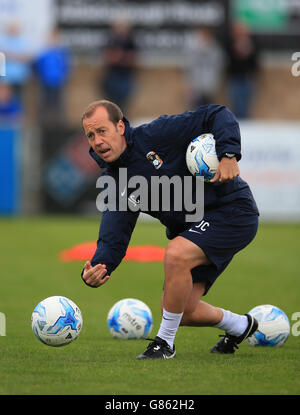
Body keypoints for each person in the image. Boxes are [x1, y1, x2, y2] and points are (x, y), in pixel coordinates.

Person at [80, 99, 259, 359]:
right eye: (90, 135)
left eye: (102, 131)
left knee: (176, 253)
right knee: (181, 309)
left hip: (232, 212)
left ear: (120, 127)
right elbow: (114, 233)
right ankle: (241, 325)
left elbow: (217, 114)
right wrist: (99, 266)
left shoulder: (158, 133)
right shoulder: (114, 181)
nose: (96, 140)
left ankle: (164, 344)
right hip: (195, 229)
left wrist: (229, 154)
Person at [100, 22, 138, 112]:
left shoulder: (130, 42)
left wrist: (120, 57)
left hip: (125, 77)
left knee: (122, 107)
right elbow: (107, 58)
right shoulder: (110, 41)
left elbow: (133, 59)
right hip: (112, 77)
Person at [225, 21, 260, 119]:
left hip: (248, 78)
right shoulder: (230, 43)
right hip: (235, 77)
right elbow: (228, 60)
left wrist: (248, 51)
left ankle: (246, 125)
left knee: (246, 104)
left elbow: (255, 61)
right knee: (236, 103)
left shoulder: (253, 43)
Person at [184, 26, 224, 109]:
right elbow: (189, 67)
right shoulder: (193, 49)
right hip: (195, 86)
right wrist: (189, 84)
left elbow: (218, 66)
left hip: (209, 86)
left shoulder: (215, 49)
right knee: (193, 111)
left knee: (208, 110)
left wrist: (215, 83)